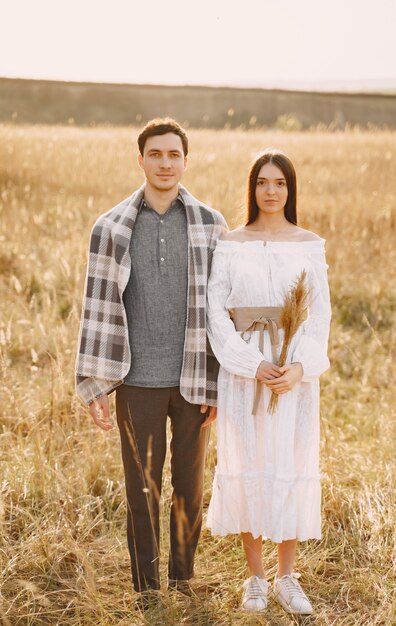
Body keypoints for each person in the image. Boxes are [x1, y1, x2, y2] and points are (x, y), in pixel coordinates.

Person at [75, 118, 228, 604]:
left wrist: (223, 384)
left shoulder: (211, 224)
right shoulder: (111, 227)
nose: (165, 163)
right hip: (136, 379)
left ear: (186, 160)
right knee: (143, 488)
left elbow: (224, 310)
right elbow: (95, 305)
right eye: (156, 154)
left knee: (189, 485)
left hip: (193, 378)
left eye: (174, 155)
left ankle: (182, 579)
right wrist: (94, 382)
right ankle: (147, 588)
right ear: (140, 160)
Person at [206, 150, 331, 615]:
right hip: (245, 374)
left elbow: (320, 315)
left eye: (279, 182)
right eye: (262, 182)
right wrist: (249, 364)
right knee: (249, 461)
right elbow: (216, 312)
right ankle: (255, 578)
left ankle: (287, 576)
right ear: (252, 188)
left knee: (291, 462)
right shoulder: (231, 242)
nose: (271, 190)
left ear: (290, 189)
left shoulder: (308, 243)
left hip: (293, 376)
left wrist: (299, 369)